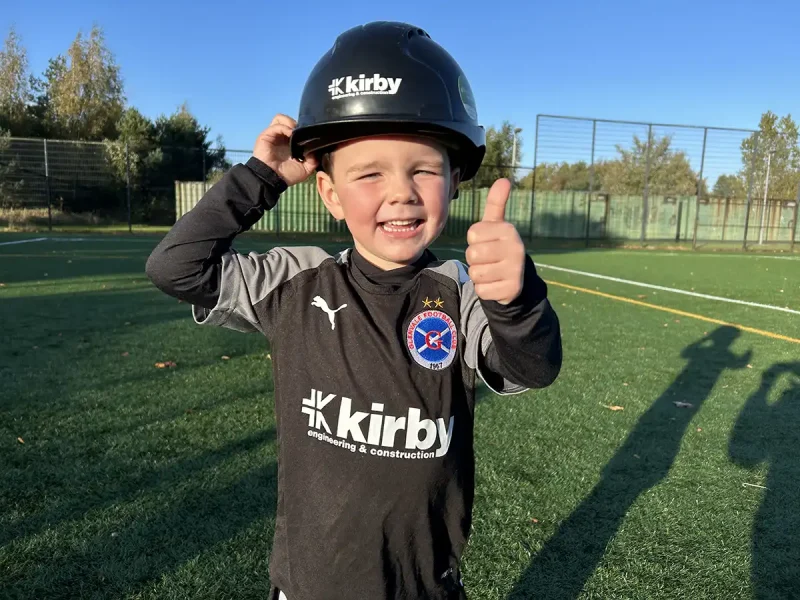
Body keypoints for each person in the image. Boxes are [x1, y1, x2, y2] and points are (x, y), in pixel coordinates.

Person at [146, 20, 562, 600]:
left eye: (423, 168)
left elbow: (531, 368)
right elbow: (175, 267)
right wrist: (262, 177)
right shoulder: (295, 281)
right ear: (330, 193)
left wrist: (517, 301)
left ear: (455, 177)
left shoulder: (464, 292)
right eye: (369, 174)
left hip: (423, 588)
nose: (402, 192)